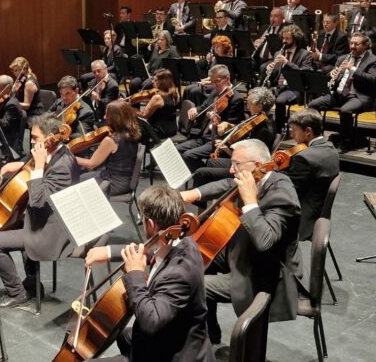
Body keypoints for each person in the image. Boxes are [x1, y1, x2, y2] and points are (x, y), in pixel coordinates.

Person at [180, 139, 301, 346]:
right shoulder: (252, 178)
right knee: (191, 255)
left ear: (256, 165)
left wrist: (251, 202)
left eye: (237, 164)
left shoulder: (282, 193)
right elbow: (226, 184)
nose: (231, 170)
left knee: (188, 283)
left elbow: (265, 242)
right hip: (243, 254)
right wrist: (190, 194)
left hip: (263, 273)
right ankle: (208, 332)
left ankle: (189, 345)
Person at [85, 186, 214, 362]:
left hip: (174, 354)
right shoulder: (178, 238)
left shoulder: (179, 271)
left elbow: (151, 322)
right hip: (171, 335)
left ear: (151, 224)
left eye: (142, 219)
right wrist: (109, 252)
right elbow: (153, 249)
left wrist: (135, 274)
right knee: (121, 333)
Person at [0, 113, 80, 307]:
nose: (31, 142)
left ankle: (16, 293)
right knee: (14, 223)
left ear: (50, 138)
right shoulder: (60, 152)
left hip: (52, 233)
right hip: (48, 221)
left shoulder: (61, 166)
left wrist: (39, 166)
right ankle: (32, 283)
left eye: (35, 138)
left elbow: (37, 202)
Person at [307, 32, 376, 152]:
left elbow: (372, 79)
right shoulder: (343, 58)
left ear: (365, 45)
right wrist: (332, 75)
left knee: (345, 110)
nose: (352, 46)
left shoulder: (374, 60)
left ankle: (345, 142)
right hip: (339, 94)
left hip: (359, 96)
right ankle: (316, 138)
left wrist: (352, 69)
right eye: (351, 43)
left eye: (356, 44)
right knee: (312, 105)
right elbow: (332, 79)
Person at [190, 87, 276, 187]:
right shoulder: (261, 119)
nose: (247, 107)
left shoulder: (263, 130)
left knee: (201, 172)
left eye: (249, 104)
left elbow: (249, 160)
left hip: (247, 170)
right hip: (243, 161)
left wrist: (227, 150)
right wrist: (229, 125)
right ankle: (212, 189)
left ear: (260, 107)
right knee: (211, 161)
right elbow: (243, 127)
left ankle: (207, 193)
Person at [284, 108, 340, 241]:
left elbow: (288, 190)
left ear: (308, 131)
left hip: (304, 217)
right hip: (319, 211)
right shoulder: (330, 147)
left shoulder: (304, 157)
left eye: (294, 130)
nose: (292, 135)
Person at [176, 65, 245, 172]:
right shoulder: (215, 92)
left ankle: (202, 175)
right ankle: (201, 173)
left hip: (217, 139)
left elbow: (233, 126)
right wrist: (195, 109)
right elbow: (203, 107)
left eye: (217, 81)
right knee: (177, 150)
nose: (214, 85)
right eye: (212, 82)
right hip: (204, 135)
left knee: (189, 155)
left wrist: (218, 121)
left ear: (227, 78)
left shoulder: (236, 99)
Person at [76, 100, 140, 196]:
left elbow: (91, 164)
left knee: (76, 181)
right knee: (83, 177)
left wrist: (70, 157)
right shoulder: (133, 133)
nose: (104, 117)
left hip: (113, 184)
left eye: (107, 114)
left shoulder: (111, 141)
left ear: (115, 118)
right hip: (127, 180)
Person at [262, 25, 313, 132]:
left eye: (287, 39)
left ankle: (278, 130)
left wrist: (287, 62)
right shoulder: (278, 53)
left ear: (295, 39)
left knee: (280, 101)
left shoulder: (305, 54)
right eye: (283, 38)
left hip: (294, 88)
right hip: (278, 86)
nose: (284, 41)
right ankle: (263, 127)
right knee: (260, 97)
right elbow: (274, 75)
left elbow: (304, 73)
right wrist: (269, 69)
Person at [135, 69, 179, 141]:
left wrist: (130, 110)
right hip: (171, 128)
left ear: (163, 82)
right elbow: (163, 107)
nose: (152, 82)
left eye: (155, 80)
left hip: (159, 131)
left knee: (132, 123)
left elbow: (144, 115)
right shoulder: (173, 92)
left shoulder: (157, 97)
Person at [252, 7, 286, 72]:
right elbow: (258, 44)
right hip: (259, 58)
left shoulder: (284, 30)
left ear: (282, 18)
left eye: (276, 16)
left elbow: (281, 49)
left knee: (263, 67)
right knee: (248, 63)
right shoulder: (264, 28)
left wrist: (270, 39)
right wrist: (255, 44)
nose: (272, 19)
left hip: (273, 59)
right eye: (271, 16)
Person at [87, 59, 121, 124]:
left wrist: (97, 99)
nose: (96, 74)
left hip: (106, 117)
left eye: (99, 71)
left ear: (105, 69)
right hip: (93, 113)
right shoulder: (93, 82)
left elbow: (107, 106)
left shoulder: (112, 85)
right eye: (94, 72)